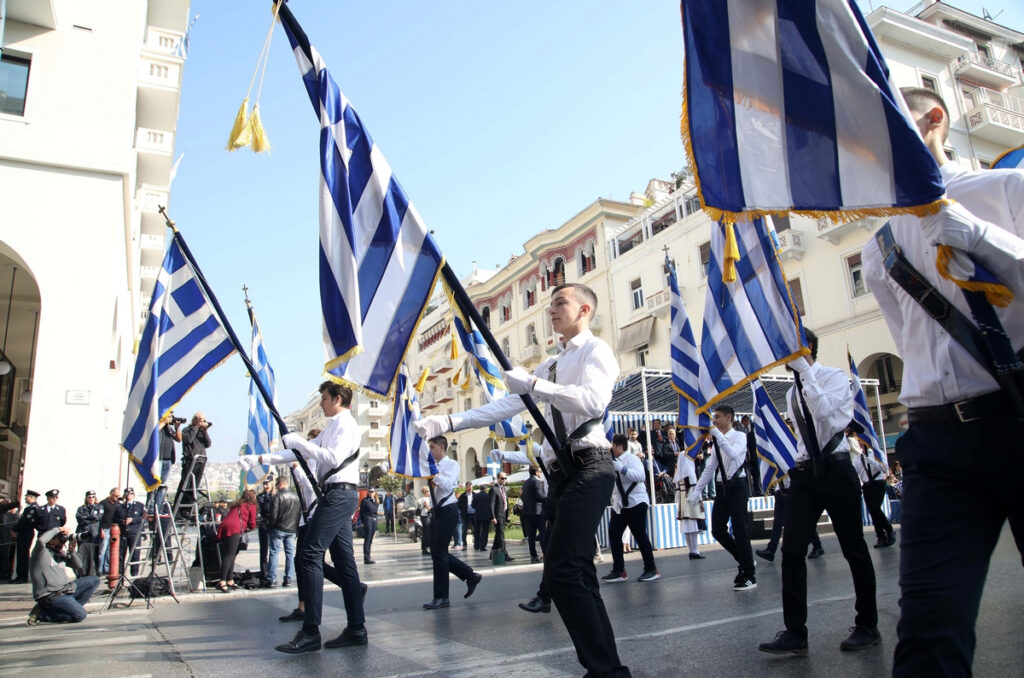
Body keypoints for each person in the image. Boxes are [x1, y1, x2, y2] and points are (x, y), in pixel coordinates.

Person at [861, 87, 1024, 676]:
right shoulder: (877, 246)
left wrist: (979, 238)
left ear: (935, 120)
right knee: (929, 631)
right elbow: (913, 349)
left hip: (1018, 415)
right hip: (937, 443)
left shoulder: (1003, 191)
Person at [414, 282, 630, 678]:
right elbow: (501, 407)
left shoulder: (595, 351)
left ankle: (606, 671)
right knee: (577, 572)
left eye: (560, 303)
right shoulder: (550, 364)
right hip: (562, 472)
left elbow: (593, 401)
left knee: (563, 570)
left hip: (590, 465)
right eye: (550, 303)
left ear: (584, 310)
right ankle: (608, 670)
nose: (551, 309)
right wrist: (447, 420)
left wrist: (532, 385)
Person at [758, 329, 880, 656]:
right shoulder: (791, 392)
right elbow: (802, 434)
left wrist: (806, 371)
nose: (784, 358)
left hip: (837, 469)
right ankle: (795, 631)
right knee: (792, 550)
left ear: (806, 348)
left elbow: (826, 414)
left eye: (790, 351)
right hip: (806, 473)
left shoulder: (835, 377)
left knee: (854, 548)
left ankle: (868, 624)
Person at [241, 381, 367, 654]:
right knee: (345, 563)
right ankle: (357, 628)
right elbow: (298, 452)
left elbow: (332, 458)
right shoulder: (332, 426)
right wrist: (260, 458)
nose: (321, 403)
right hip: (336, 494)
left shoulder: (345, 424)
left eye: (324, 398)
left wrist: (300, 442)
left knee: (308, 555)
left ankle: (310, 631)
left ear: (337, 399)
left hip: (338, 494)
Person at [687, 404, 757, 590]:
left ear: (728, 418)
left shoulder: (740, 436)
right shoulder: (718, 440)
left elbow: (734, 455)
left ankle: (749, 574)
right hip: (722, 487)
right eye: (714, 417)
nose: (714, 420)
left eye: (717, 417)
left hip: (737, 486)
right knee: (717, 530)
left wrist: (717, 436)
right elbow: (710, 468)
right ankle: (744, 560)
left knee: (740, 530)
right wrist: (697, 491)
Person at [422, 436, 482, 609]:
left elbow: (448, 485)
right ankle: (470, 576)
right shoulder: (433, 467)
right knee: (437, 553)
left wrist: (434, 472)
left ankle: (442, 597)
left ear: (442, 447)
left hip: (448, 511)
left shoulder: (452, 465)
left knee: (439, 553)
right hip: (437, 512)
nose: (430, 451)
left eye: (432, 447)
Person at [603, 433, 659, 583]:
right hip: (620, 504)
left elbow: (641, 477)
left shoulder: (632, 459)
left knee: (640, 535)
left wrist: (622, 469)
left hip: (636, 502)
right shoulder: (612, 461)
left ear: (619, 446)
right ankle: (619, 570)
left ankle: (651, 569)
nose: (611, 449)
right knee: (614, 534)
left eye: (612, 446)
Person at [27, 526, 100, 626]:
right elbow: (41, 540)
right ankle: (41, 614)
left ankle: (70, 608)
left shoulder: (59, 553)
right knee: (80, 615)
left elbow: (79, 565)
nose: (62, 540)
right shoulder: (40, 552)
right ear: (51, 540)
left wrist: (72, 551)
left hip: (66, 589)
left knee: (94, 580)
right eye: (59, 538)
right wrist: (59, 529)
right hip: (51, 595)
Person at [755, 478, 825, 563]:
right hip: (780, 491)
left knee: (803, 520)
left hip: (792, 490)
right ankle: (770, 550)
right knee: (777, 523)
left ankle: (817, 545)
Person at [850, 433, 894, 548]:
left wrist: (872, 460)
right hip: (867, 486)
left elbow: (885, 469)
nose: (859, 443)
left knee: (875, 508)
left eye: (861, 441)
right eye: (858, 441)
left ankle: (889, 530)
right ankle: (881, 536)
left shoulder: (877, 454)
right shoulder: (858, 458)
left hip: (878, 484)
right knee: (873, 512)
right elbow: (856, 472)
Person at [214, 489, 257, 593]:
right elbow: (252, 523)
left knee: (231, 554)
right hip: (235, 529)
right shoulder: (251, 506)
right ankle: (222, 581)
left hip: (225, 527)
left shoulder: (236, 504)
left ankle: (230, 580)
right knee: (229, 556)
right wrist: (250, 528)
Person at [176, 412, 212, 517]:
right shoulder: (187, 430)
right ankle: (180, 509)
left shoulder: (201, 431)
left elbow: (208, 444)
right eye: (201, 420)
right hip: (190, 461)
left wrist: (204, 431)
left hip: (200, 460)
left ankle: (188, 508)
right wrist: (196, 427)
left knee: (195, 486)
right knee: (186, 485)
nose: (203, 422)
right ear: (195, 420)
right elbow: (188, 439)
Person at [266, 475, 300, 587]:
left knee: (274, 552)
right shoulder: (296, 497)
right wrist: (296, 529)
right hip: (291, 529)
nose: (275, 486)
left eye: (276, 484)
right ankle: (288, 578)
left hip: (278, 528)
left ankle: (272, 578)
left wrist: (270, 527)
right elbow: (298, 515)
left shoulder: (277, 497)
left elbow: (273, 515)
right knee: (290, 554)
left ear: (280, 484)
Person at [673, 445, 704, 560]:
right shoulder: (690, 473)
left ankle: (691, 550)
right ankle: (695, 550)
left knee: (685, 526)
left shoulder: (678, 474)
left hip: (682, 499)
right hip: (691, 498)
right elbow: (694, 486)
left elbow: (677, 489)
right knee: (692, 525)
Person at [147, 413, 181, 513]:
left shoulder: (169, 428)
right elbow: (153, 432)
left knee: (162, 486)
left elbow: (179, 439)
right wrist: (163, 422)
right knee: (154, 484)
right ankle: (151, 508)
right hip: (158, 459)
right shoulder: (157, 425)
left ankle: (159, 508)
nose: (171, 418)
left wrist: (177, 428)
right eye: (170, 415)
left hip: (168, 459)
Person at [12, 489, 40, 583]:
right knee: (21, 554)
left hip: (26, 532)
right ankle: (20, 575)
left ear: (31, 497)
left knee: (23, 555)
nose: (25, 498)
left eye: (27, 496)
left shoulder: (33, 508)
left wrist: (14, 529)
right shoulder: (29, 507)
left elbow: (25, 522)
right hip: (24, 532)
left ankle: (23, 577)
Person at [115, 488, 145, 578]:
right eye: (127, 493)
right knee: (121, 554)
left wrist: (133, 520)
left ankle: (134, 573)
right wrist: (122, 521)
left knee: (135, 553)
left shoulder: (139, 505)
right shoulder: (120, 507)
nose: (129, 495)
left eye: (131, 493)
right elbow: (114, 519)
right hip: (124, 533)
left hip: (134, 532)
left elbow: (143, 517)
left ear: (134, 495)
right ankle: (120, 573)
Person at [521, 466, 547, 563]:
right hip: (537, 512)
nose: (540, 473)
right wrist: (547, 497)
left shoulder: (526, 483)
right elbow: (539, 495)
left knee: (531, 536)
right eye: (540, 471)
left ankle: (533, 556)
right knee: (542, 533)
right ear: (536, 472)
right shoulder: (537, 482)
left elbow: (523, 496)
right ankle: (546, 553)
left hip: (527, 512)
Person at [74, 491, 103, 576]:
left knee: (94, 553)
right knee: (82, 553)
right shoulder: (81, 508)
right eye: (89, 497)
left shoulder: (99, 507)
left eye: (93, 497)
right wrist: (91, 518)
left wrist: (86, 517)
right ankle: (81, 572)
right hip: (83, 532)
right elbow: (80, 519)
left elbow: (98, 517)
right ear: (86, 498)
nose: (91, 499)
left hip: (94, 534)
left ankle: (93, 572)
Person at [489, 472, 514, 562]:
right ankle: (505, 554)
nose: (504, 480)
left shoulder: (504, 489)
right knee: (501, 535)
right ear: (498, 479)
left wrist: (508, 515)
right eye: (502, 478)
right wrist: (493, 517)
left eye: (505, 479)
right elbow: (491, 504)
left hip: (503, 515)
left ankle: (492, 553)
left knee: (498, 535)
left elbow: (505, 502)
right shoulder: (494, 489)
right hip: (498, 515)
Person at [97, 487, 120, 575]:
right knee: (102, 550)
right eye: (116, 496)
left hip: (113, 530)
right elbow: (100, 518)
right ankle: (99, 569)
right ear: (111, 494)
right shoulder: (103, 503)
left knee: (110, 551)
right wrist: (101, 530)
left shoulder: (117, 504)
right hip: (105, 529)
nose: (117, 497)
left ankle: (107, 568)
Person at [257, 478, 275, 582]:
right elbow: (262, 508)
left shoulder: (275, 496)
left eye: (267, 484)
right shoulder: (260, 496)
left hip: (273, 523)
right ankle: (264, 571)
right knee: (263, 549)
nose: (265, 486)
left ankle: (271, 571)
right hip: (264, 523)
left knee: (273, 550)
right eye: (264, 484)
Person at [470, 482, 492, 551]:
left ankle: (476, 545)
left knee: (477, 531)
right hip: (486, 516)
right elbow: (491, 506)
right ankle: (482, 546)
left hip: (477, 516)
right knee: (485, 531)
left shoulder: (475, 496)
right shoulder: (488, 496)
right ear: (485, 489)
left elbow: (473, 505)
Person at [359, 489, 378, 564]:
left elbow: (375, 512)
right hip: (368, 520)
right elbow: (361, 512)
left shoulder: (376, 501)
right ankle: (366, 558)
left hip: (374, 520)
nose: (371, 493)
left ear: (375, 493)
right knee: (367, 539)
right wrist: (363, 521)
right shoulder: (365, 500)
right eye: (370, 492)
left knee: (370, 540)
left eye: (372, 492)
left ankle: (369, 556)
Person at [1, 500, 18, 580]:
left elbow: (15, 525)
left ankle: (4, 573)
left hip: (7, 538)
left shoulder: (12, 515)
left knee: (6, 556)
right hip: (2, 537)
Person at [457, 482, 474, 549]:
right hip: (465, 515)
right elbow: (458, 505)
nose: (469, 488)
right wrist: (463, 510)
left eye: (471, 487)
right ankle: (464, 544)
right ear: (466, 487)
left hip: (473, 514)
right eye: (468, 487)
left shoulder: (475, 495)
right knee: (464, 530)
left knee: (476, 529)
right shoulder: (462, 496)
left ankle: (477, 543)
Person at [417, 486, 432, 556]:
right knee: (426, 532)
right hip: (425, 516)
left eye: (429, 490)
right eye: (426, 491)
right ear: (424, 492)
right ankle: (424, 548)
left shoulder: (430, 498)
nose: (428, 492)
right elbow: (428, 507)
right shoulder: (424, 499)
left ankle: (429, 546)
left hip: (429, 516)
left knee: (430, 532)